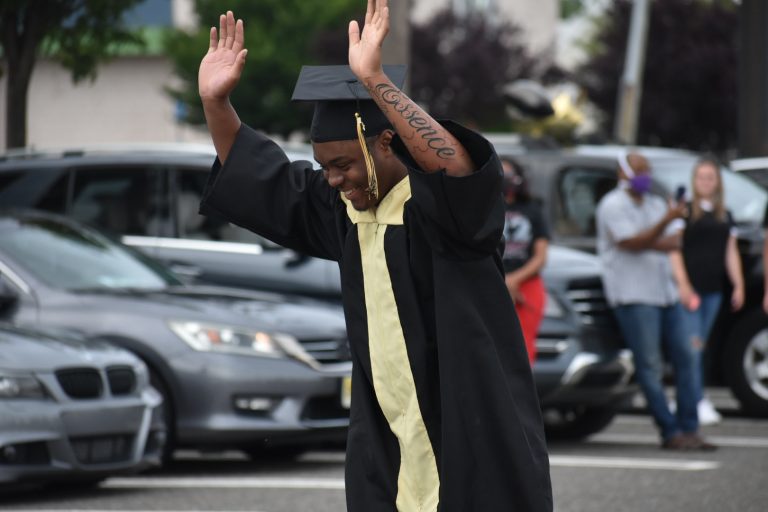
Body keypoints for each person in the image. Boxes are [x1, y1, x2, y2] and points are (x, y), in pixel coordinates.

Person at [196, 2, 553, 511]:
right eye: (325, 169)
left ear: (386, 142)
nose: (335, 181)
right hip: (389, 446)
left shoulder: (446, 215)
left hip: (471, 436)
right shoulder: (347, 211)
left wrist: (375, 81)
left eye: (343, 165)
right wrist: (216, 103)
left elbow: (457, 168)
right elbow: (264, 177)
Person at [595, 151, 715, 451]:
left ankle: (690, 428)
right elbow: (630, 242)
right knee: (650, 365)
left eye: (647, 169)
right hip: (634, 295)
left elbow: (674, 242)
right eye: (639, 170)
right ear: (623, 173)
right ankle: (669, 431)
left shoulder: (657, 203)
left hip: (666, 292)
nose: (644, 175)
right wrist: (664, 224)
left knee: (688, 355)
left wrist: (655, 234)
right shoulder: (612, 205)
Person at [670, 158, 744, 425]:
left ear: (717, 181)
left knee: (701, 346)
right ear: (694, 180)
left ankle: (693, 397)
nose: (706, 182)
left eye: (710, 177)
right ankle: (692, 400)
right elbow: (674, 250)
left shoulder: (725, 215)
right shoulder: (686, 212)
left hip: (713, 290)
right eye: (701, 177)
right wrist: (683, 284)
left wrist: (739, 284)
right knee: (692, 347)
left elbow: (730, 252)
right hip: (691, 289)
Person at [500, 157, 550, 365]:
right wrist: (503, 281)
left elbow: (541, 256)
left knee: (523, 345)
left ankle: (522, 395)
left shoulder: (532, 209)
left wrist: (514, 280)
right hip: (493, 282)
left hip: (527, 285)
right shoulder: (483, 208)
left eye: (510, 175)